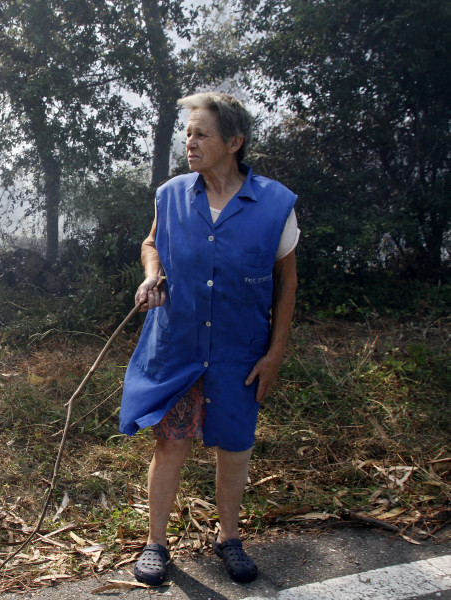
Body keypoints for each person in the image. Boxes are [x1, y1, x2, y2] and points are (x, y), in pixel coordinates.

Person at [121, 92, 299, 586]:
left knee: (235, 449)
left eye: (201, 133)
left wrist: (275, 352)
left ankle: (229, 538)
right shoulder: (172, 194)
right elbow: (152, 242)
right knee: (170, 446)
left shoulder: (275, 205)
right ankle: (156, 543)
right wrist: (151, 274)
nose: (190, 141)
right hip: (177, 348)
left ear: (234, 142)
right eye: (188, 132)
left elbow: (288, 282)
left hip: (238, 353)